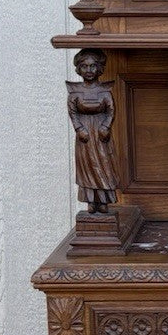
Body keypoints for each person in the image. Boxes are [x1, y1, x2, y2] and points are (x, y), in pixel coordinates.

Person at [66, 49, 118, 213]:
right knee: (87, 166)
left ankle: (103, 201)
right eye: (85, 67)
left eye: (93, 67)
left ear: (99, 69)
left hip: (101, 134)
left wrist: (106, 126)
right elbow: (72, 112)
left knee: (103, 165)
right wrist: (79, 128)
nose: (89, 71)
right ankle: (91, 200)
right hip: (85, 136)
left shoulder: (104, 90)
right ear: (79, 69)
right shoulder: (75, 91)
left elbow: (111, 110)